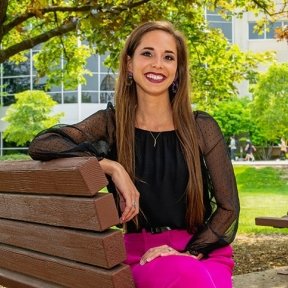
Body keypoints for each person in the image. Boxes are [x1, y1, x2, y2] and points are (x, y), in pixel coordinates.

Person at [28, 21, 240, 288]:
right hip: (141, 254)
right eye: (147, 53)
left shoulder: (200, 127)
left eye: (168, 57)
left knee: (197, 277)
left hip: (201, 250)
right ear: (129, 64)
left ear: (178, 69)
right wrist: (111, 167)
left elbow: (228, 207)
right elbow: (44, 143)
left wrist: (189, 252)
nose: (158, 64)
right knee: (190, 278)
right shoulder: (111, 124)